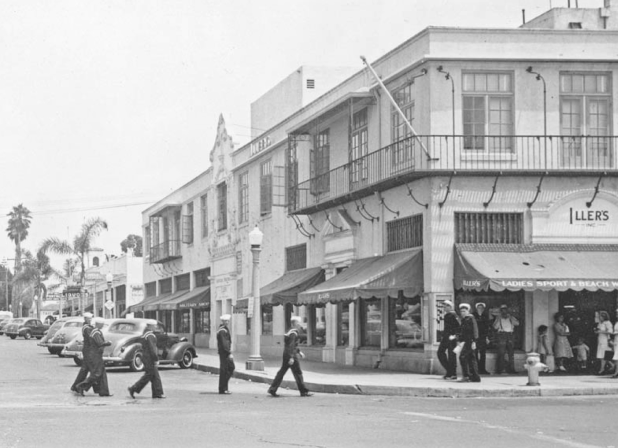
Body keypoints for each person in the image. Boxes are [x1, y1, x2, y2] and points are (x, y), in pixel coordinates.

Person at [268, 316, 312, 397]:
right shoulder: (293, 333)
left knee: (282, 372)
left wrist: (299, 352)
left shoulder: (289, 331)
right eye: (298, 323)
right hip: (291, 355)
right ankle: (303, 391)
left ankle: (272, 389)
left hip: (287, 354)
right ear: (296, 323)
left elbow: (291, 345)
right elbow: (291, 345)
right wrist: (291, 357)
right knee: (298, 373)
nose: (299, 324)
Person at [75, 317, 112, 396]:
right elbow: (100, 343)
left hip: (95, 354)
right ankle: (81, 386)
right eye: (102, 325)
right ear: (99, 324)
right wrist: (108, 343)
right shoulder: (95, 332)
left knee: (102, 373)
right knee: (97, 373)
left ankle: (104, 392)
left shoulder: (94, 331)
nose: (102, 326)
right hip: (95, 355)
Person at [128, 319, 165, 399]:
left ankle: (157, 393)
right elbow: (152, 348)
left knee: (154, 375)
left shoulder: (145, 334)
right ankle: (134, 388)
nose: (155, 327)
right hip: (149, 358)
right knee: (149, 375)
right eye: (155, 326)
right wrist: (156, 359)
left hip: (146, 356)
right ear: (151, 326)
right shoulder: (150, 335)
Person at [492, 304, 519, 374]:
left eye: (505, 310)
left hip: (510, 335)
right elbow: (495, 327)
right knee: (501, 353)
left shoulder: (511, 317)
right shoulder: (498, 318)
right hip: (502, 334)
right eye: (503, 310)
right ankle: (501, 369)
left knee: (511, 353)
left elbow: (517, 323)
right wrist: (498, 319)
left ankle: (511, 369)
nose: (504, 311)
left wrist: (511, 318)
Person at [71, 312, 94, 394]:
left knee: (84, 370)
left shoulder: (87, 327)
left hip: (88, 349)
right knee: (87, 370)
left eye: (91, 318)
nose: (90, 320)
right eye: (89, 319)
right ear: (85, 319)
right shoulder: (86, 328)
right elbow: (91, 338)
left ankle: (76, 385)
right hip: (88, 349)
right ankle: (78, 386)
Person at [457, 303, 480, 383]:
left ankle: (467, 376)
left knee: (463, 357)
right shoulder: (464, 319)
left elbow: (475, 330)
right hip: (466, 342)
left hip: (469, 342)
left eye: (464, 311)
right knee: (471, 359)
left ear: (468, 311)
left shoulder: (470, 318)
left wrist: (474, 341)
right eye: (461, 311)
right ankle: (475, 377)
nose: (462, 313)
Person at [437, 300, 460, 380]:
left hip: (450, 337)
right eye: (444, 306)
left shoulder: (452, 315)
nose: (444, 308)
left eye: (446, 306)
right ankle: (451, 372)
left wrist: (454, 336)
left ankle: (451, 372)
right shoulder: (449, 315)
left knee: (447, 354)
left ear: (450, 307)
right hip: (447, 337)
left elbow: (458, 326)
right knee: (447, 354)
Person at [217, 314, 234, 395]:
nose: (227, 322)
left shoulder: (223, 330)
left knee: (226, 370)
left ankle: (223, 388)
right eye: (225, 321)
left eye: (228, 321)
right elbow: (225, 344)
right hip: (224, 353)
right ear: (222, 321)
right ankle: (223, 388)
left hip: (224, 353)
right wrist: (229, 353)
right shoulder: (222, 331)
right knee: (228, 368)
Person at [473, 302, 491, 374]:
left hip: (483, 337)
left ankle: (482, 369)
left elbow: (487, 327)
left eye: (482, 308)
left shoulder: (485, 316)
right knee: (475, 353)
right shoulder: (473, 315)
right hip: (475, 337)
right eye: (479, 307)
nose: (480, 309)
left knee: (483, 354)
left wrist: (487, 337)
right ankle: (476, 369)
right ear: (476, 308)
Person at [594, 311, 614, 375]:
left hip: (605, 340)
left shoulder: (608, 323)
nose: (600, 318)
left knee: (604, 355)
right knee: (602, 355)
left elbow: (610, 332)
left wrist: (601, 331)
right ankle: (612, 366)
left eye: (600, 316)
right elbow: (598, 331)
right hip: (600, 340)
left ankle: (602, 369)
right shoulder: (600, 323)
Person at [611, 309, 618, 379]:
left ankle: (616, 372)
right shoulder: (616, 322)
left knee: (616, 357)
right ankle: (616, 371)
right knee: (616, 358)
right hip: (616, 340)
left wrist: (615, 333)